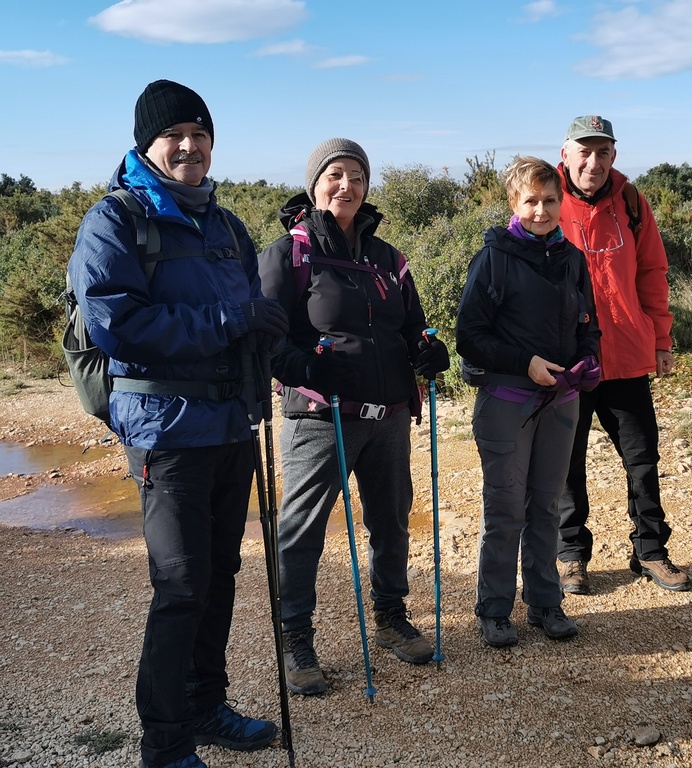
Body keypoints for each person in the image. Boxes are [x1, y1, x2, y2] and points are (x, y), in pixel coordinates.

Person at [67, 80, 286, 768]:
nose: (190, 146)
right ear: (147, 145)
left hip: (230, 425)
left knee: (220, 575)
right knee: (182, 584)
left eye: (200, 134)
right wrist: (231, 321)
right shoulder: (116, 220)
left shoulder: (225, 225)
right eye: (174, 136)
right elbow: (117, 324)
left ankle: (204, 707)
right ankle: (163, 743)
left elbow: (250, 314)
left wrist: (276, 338)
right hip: (165, 430)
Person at [258, 138, 450, 694]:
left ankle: (390, 617)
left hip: (388, 413)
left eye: (357, 177)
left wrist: (427, 348)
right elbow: (267, 340)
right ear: (315, 183)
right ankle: (297, 641)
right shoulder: (289, 253)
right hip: (320, 417)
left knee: (390, 520)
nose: (347, 186)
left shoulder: (389, 258)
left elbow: (414, 324)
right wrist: (306, 369)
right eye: (335, 175)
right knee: (303, 531)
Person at [456, 156, 601, 647]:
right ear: (514, 204)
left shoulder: (572, 258)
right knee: (506, 508)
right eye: (531, 201)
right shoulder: (494, 257)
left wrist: (588, 361)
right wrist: (527, 362)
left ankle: (545, 604)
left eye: (550, 200)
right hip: (508, 400)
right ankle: (494, 610)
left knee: (545, 506)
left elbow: (589, 324)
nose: (542, 210)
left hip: (561, 402)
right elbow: (469, 336)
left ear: (563, 203)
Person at [554, 115, 690, 595]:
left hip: (628, 354)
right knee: (566, 464)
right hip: (568, 362)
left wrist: (661, 340)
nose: (593, 162)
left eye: (603, 152)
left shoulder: (631, 202)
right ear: (566, 153)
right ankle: (570, 555)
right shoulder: (547, 201)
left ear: (614, 155)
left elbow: (652, 271)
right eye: (584, 152)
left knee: (641, 459)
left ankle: (650, 551)